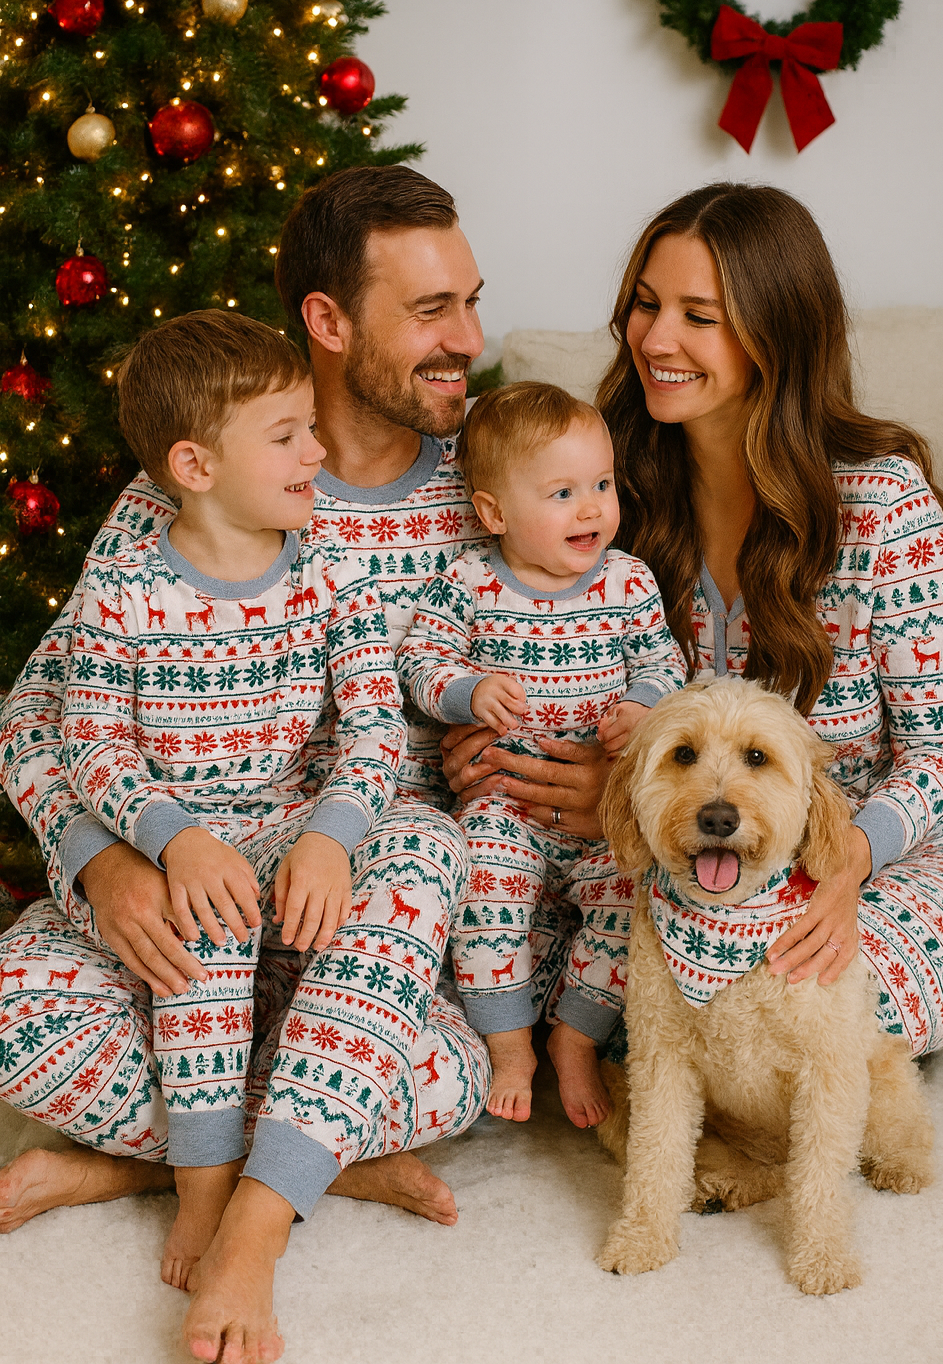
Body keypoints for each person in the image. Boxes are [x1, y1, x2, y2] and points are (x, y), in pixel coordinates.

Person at [0, 166, 494, 1362]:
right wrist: (109, 864)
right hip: (195, 898)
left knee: (453, 1075)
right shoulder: (179, 511)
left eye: (470, 301)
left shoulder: (496, 484)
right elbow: (40, 717)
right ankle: (300, 1148)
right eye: (432, 311)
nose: (469, 342)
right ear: (327, 323)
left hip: (357, 929)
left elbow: (581, 651)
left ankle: (240, 1205)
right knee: (15, 1006)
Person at [443, 183, 943, 1063]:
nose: (657, 339)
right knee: (512, 981)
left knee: (820, 1002)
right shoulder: (602, 493)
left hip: (881, 848)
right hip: (671, 848)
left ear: (774, 334)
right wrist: (494, 743)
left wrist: (843, 868)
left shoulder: (879, 502)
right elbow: (524, 643)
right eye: (645, 304)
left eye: (698, 316)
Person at [57, 313, 414, 1290]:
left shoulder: (334, 575)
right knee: (204, 912)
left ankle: (222, 1162)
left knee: (445, 1062)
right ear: (195, 465)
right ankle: (212, 1194)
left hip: (300, 840)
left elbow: (380, 729)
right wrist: (172, 842)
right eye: (289, 434)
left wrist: (336, 839)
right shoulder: (122, 594)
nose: (319, 450)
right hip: (192, 849)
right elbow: (88, 744)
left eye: (313, 425)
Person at [397, 382, 685, 1125]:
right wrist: (466, 692)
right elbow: (422, 660)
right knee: (486, 888)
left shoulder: (627, 581)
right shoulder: (470, 581)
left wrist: (644, 708)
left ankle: (576, 1038)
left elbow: (662, 662)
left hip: (606, 815)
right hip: (505, 805)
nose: (592, 507)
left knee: (637, 903)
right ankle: (511, 1042)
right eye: (563, 492)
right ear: (495, 513)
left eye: (601, 484)